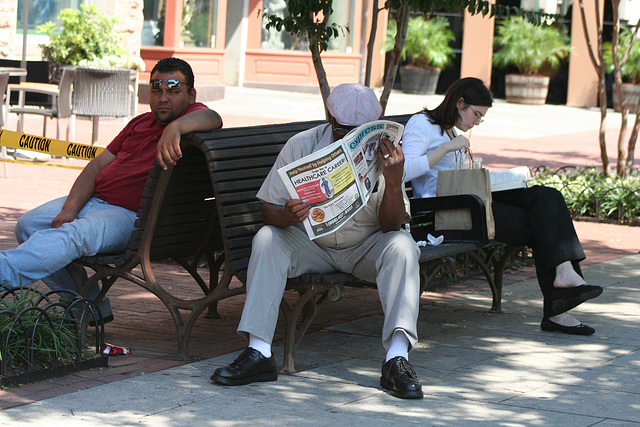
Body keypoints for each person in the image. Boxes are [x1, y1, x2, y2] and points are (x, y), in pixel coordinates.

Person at [210, 83, 424, 399]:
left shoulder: (387, 153)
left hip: (364, 246)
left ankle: (397, 358)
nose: (350, 137)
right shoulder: (302, 145)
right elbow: (269, 210)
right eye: (341, 130)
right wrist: (288, 214)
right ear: (328, 116)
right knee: (267, 239)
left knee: (404, 247)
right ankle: (259, 352)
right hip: (312, 244)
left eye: (359, 131)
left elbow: (392, 226)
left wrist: (393, 182)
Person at [0, 57, 223, 323]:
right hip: (96, 202)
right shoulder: (139, 123)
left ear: (191, 94)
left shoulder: (191, 121)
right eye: (156, 89)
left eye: (174, 91)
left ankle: (4, 270)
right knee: (28, 225)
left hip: (133, 217)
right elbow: (96, 167)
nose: (164, 98)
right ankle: (90, 302)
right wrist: (70, 209)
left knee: (74, 236)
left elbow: (214, 117)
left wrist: (176, 127)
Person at [402, 77, 603, 335]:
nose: (476, 122)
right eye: (475, 114)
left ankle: (564, 272)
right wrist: (448, 148)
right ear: (459, 102)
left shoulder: (451, 129)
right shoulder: (423, 124)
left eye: (481, 118)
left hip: (467, 201)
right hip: (445, 212)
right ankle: (558, 311)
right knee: (542, 224)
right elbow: (404, 171)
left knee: (547, 196)